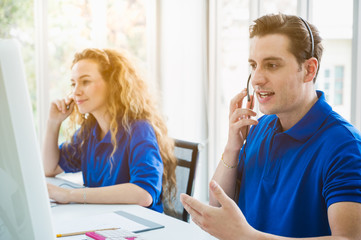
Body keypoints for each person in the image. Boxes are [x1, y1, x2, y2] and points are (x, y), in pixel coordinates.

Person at [180, 13, 361, 239]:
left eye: (272, 65)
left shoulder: (345, 146)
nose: (256, 79)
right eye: (254, 65)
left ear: (309, 70)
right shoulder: (259, 128)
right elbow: (218, 208)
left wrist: (247, 236)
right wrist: (232, 147)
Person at [43, 48, 177, 213]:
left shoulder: (138, 128)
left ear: (113, 85)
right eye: (73, 83)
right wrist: (53, 123)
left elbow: (144, 194)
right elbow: (49, 168)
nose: (76, 91)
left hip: (139, 227)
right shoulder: (89, 131)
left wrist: (70, 194)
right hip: (104, 219)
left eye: (85, 82)